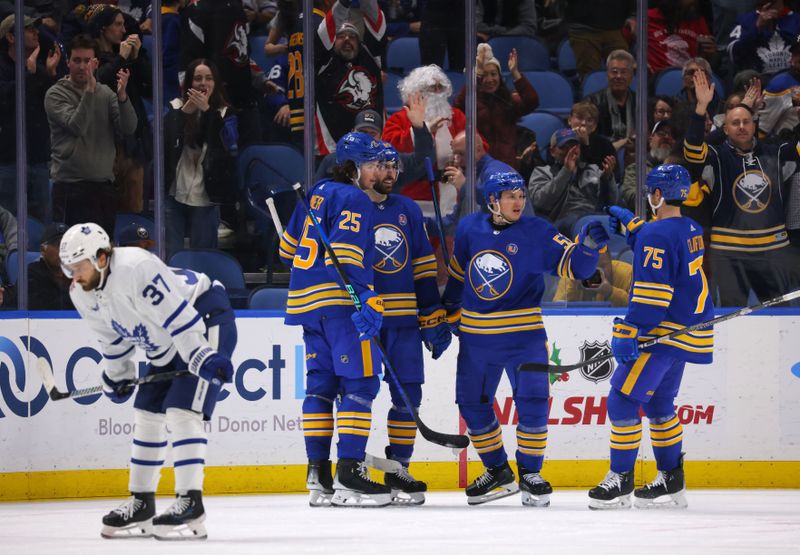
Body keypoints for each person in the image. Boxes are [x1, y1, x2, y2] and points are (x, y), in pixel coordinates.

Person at [441, 169, 609, 506]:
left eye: (521, 195)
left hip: (524, 335)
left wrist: (588, 249)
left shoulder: (538, 232)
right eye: (510, 196)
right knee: (472, 404)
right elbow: (458, 276)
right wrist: (446, 313)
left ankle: (531, 473)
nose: (519, 201)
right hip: (477, 340)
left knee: (532, 402)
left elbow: (578, 268)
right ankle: (497, 469)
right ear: (492, 201)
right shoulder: (470, 228)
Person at [60, 222, 237, 539]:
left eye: (78, 266)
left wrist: (201, 356)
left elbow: (179, 316)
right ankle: (142, 502)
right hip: (165, 340)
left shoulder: (135, 266)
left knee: (182, 411)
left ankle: (190, 502)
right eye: (68, 268)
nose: (73, 274)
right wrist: (118, 376)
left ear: (101, 258)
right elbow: (112, 341)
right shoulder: (81, 292)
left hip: (203, 316)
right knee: (147, 412)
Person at [588, 164, 714, 510]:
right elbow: (667, 250)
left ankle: (621, 479)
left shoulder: (655, 236)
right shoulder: (691, 227)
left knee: (622, 400)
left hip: (661, 332)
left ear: (656, 195)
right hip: (686, 331)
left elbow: (652, 295)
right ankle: (672, 479)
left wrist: (629, 331)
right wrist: (637, 230)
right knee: (659, 405)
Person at [279, 131, 391, 507]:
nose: (378, 171)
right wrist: (367, 298)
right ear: (355, 165)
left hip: (307, 305)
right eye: (373, 164)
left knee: (320, 389)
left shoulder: (316, 193)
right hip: (341, 307)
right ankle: (350, 472)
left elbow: (285, 250)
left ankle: (318, 474)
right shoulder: (354, 198)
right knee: (359, 385)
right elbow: (340, 256)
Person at [362, 142, 451, 504]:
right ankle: (351, 466)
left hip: (403, 323)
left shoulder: (407, 210)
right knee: (357, 395)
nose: (389, 173)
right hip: (363, 321)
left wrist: (432, 314)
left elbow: (423, 267)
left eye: (394, 167)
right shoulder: (350, 206)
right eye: (382, 166)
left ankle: (398, 466)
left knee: (409, 395)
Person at [684, 70, 799, 306]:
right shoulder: (717, 157)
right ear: (724, 129)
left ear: (754, 125)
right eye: (735, 123)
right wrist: (701, 108)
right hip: (728, 254)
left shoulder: (775, 153)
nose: (741, 126)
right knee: (731, 319)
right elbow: (692, 150)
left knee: (780, 320)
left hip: (773, 251)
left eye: (746, 121)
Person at [44, 34, 137, 235]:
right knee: (71, 255)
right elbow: (76, 126)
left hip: (103, 189)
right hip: (70, 188)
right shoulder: (55, 94)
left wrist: (122, 97)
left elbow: (129, 128)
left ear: (95, 63)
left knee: (102, 254)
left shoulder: (106, 94)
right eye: (77, 60)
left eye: (87, 61)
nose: (82, 66)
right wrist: (89, 92)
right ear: (68, 62)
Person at [163, 58, 239, 259]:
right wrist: (183, 113)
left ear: (216, 83)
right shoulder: (175, 107)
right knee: (171, 256)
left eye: (208, 78)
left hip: (206, 195)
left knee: (204, 257)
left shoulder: (224, 112)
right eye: (197, 79)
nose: (203, 83)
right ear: (188, 83)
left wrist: (207, 112)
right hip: (174, 192)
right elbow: (162, 143)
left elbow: (227, 145)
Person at [0, 13, 59, 221]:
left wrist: (50, 75)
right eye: (29, 29)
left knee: (43, 228)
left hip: (38, 159)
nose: (36, 32)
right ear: (11, 37)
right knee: (8, 225)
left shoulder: (37, 69)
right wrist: (28, 74)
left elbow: (52, 106)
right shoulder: (4, 68)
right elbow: (6, 101)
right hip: (8, 161)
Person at [314, 0, 386, 156]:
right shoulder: (323, 61)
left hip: (370, 148)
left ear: (359, 42)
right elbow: (324, 33)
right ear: (333, 40)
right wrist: (344, 3)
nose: (347, 39)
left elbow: (376, 22)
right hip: (331, 148)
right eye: (341, 36)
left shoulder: (370, 57)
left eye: (352, 36)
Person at [453, 43, 538, 169]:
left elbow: (532, 101)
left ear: (500, 76)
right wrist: (475, 76)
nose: (490, 79)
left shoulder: (508, 100)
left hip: (507, 165)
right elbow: (457, 107)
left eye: (493, 74)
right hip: (480, 166)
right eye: (484, 75)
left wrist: (515, 73)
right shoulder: (470, 100)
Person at [528, 128, 617, 235]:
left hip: (594, 218)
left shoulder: (592, 170)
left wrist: (607, 179)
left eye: (574, 146)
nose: (570, 151)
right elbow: (540, 203)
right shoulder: (542, 172)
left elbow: (612, 203)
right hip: (562, 224)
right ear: (552, 151)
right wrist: (566, 171)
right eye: (564, 147)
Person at [727, 0, 800, 76]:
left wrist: (792, 35)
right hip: (756, 81)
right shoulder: (745, 20)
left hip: (793, 79)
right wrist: (756, 28)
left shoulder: (797, 20)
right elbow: (733, 54)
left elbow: (799, 38)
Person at [583, 50, 636, 150]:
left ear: (631, 76)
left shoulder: (640, 103)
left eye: (624, 72)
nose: (619, 76)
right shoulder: (592, 102)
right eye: (614, 72)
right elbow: (589, 139)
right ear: (607, 75)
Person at [553, 249, 632, 307]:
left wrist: (610, 291)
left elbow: (638, 307)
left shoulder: (628, 273)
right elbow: (558, 309)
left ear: (611, 261)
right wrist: (573, 284)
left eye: (603, 266)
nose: (596, 272)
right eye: (589, 267)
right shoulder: (571, 275)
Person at [28, 222, 74, 310]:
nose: (64, 250)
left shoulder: (78, 273)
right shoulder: (32, 274)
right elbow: (41, 307)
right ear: (43, 249)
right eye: (59, 244)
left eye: (68, 245)